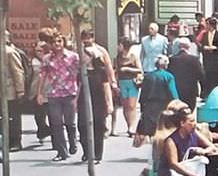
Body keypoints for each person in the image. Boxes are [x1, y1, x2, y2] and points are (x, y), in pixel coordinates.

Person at [157, 106, 214, 176]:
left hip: (191, 171)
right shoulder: (171, 141)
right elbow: (173, 164)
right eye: (191, 121)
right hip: (172, 174)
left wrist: (203, 151)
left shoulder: (194, 134)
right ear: (182, 123)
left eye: (194, 121)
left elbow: (211, 146)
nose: (194, 124)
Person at [37, 33, 81, 162]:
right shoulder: (47, 59)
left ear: (64, 42)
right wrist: (39, 93)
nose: (57, 44)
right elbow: (42, 76)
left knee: (70, 123)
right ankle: (62, 151)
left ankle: (73, 143)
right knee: (56, 124)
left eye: (59, 41)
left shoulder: (73, 57)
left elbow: (80, 75)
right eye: (54, 42)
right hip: (54, 94)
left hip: (70, 93)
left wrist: (79, 95)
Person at [0, 28, 26, 151]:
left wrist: (20, 90)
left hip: (10, 89)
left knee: (13, 116)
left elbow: (18, 72)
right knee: (3, 116)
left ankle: (16, 141)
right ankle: (6, 140)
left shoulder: (10, 52)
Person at [77, 30, 115, 163]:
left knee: (98, 125)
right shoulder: (81, 72)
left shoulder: (100, 71)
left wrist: (109, 103)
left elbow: (106, 87)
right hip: (83, 100)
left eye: (87, 56)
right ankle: (87, 152)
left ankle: (97, 154)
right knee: (82, 126)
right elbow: (78, 88)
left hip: (99, 101)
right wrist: (75, 103)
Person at [137, 55, 180, 138]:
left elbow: (143, 93)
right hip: (164, 104)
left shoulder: (148, 76)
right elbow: (173, 93)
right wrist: (177, 103)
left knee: (150, 126)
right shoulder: (169, 76)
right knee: (162, 125)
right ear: (165, 65)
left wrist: (142, 106)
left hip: (150, 105)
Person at [169, 38, 209, 110]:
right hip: (190, 91)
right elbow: (201, 76)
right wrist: (203, 90)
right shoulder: (194, 59)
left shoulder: (172, 60)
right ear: (189, 47)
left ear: (179, 47)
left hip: (176, 90)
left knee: (177, 112)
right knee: (188, 111)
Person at [115, 37, 143, 136]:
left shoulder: (133, 56)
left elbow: (139, 70)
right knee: (125, 105)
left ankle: (132, 127)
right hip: (122, 82)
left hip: (132, 82)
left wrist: (127, 69)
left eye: (120, 45)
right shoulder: (118, 57)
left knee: (132, 105)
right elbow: (116, 71)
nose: (118, 47)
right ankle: (128, 125)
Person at [195, 17, 218, 93]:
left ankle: (217, 92)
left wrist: (215, 47)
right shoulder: (204, 34)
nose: (206, 26)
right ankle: (207, 93)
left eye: (207, 24)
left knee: (216, 76)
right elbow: (199, 45)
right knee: (207, 76)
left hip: (216, 59)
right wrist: (204, 47)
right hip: (207, 59)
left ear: (211, 25)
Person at [30, 41, 51, 145]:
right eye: (36, 50)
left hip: (49, 90)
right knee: (39, 115)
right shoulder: (32, 61)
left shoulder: (49, 60)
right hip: (35, 91)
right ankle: (43, 131)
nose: (38, 52)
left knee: (51, 114)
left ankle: (53, 134)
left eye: (40, 50)